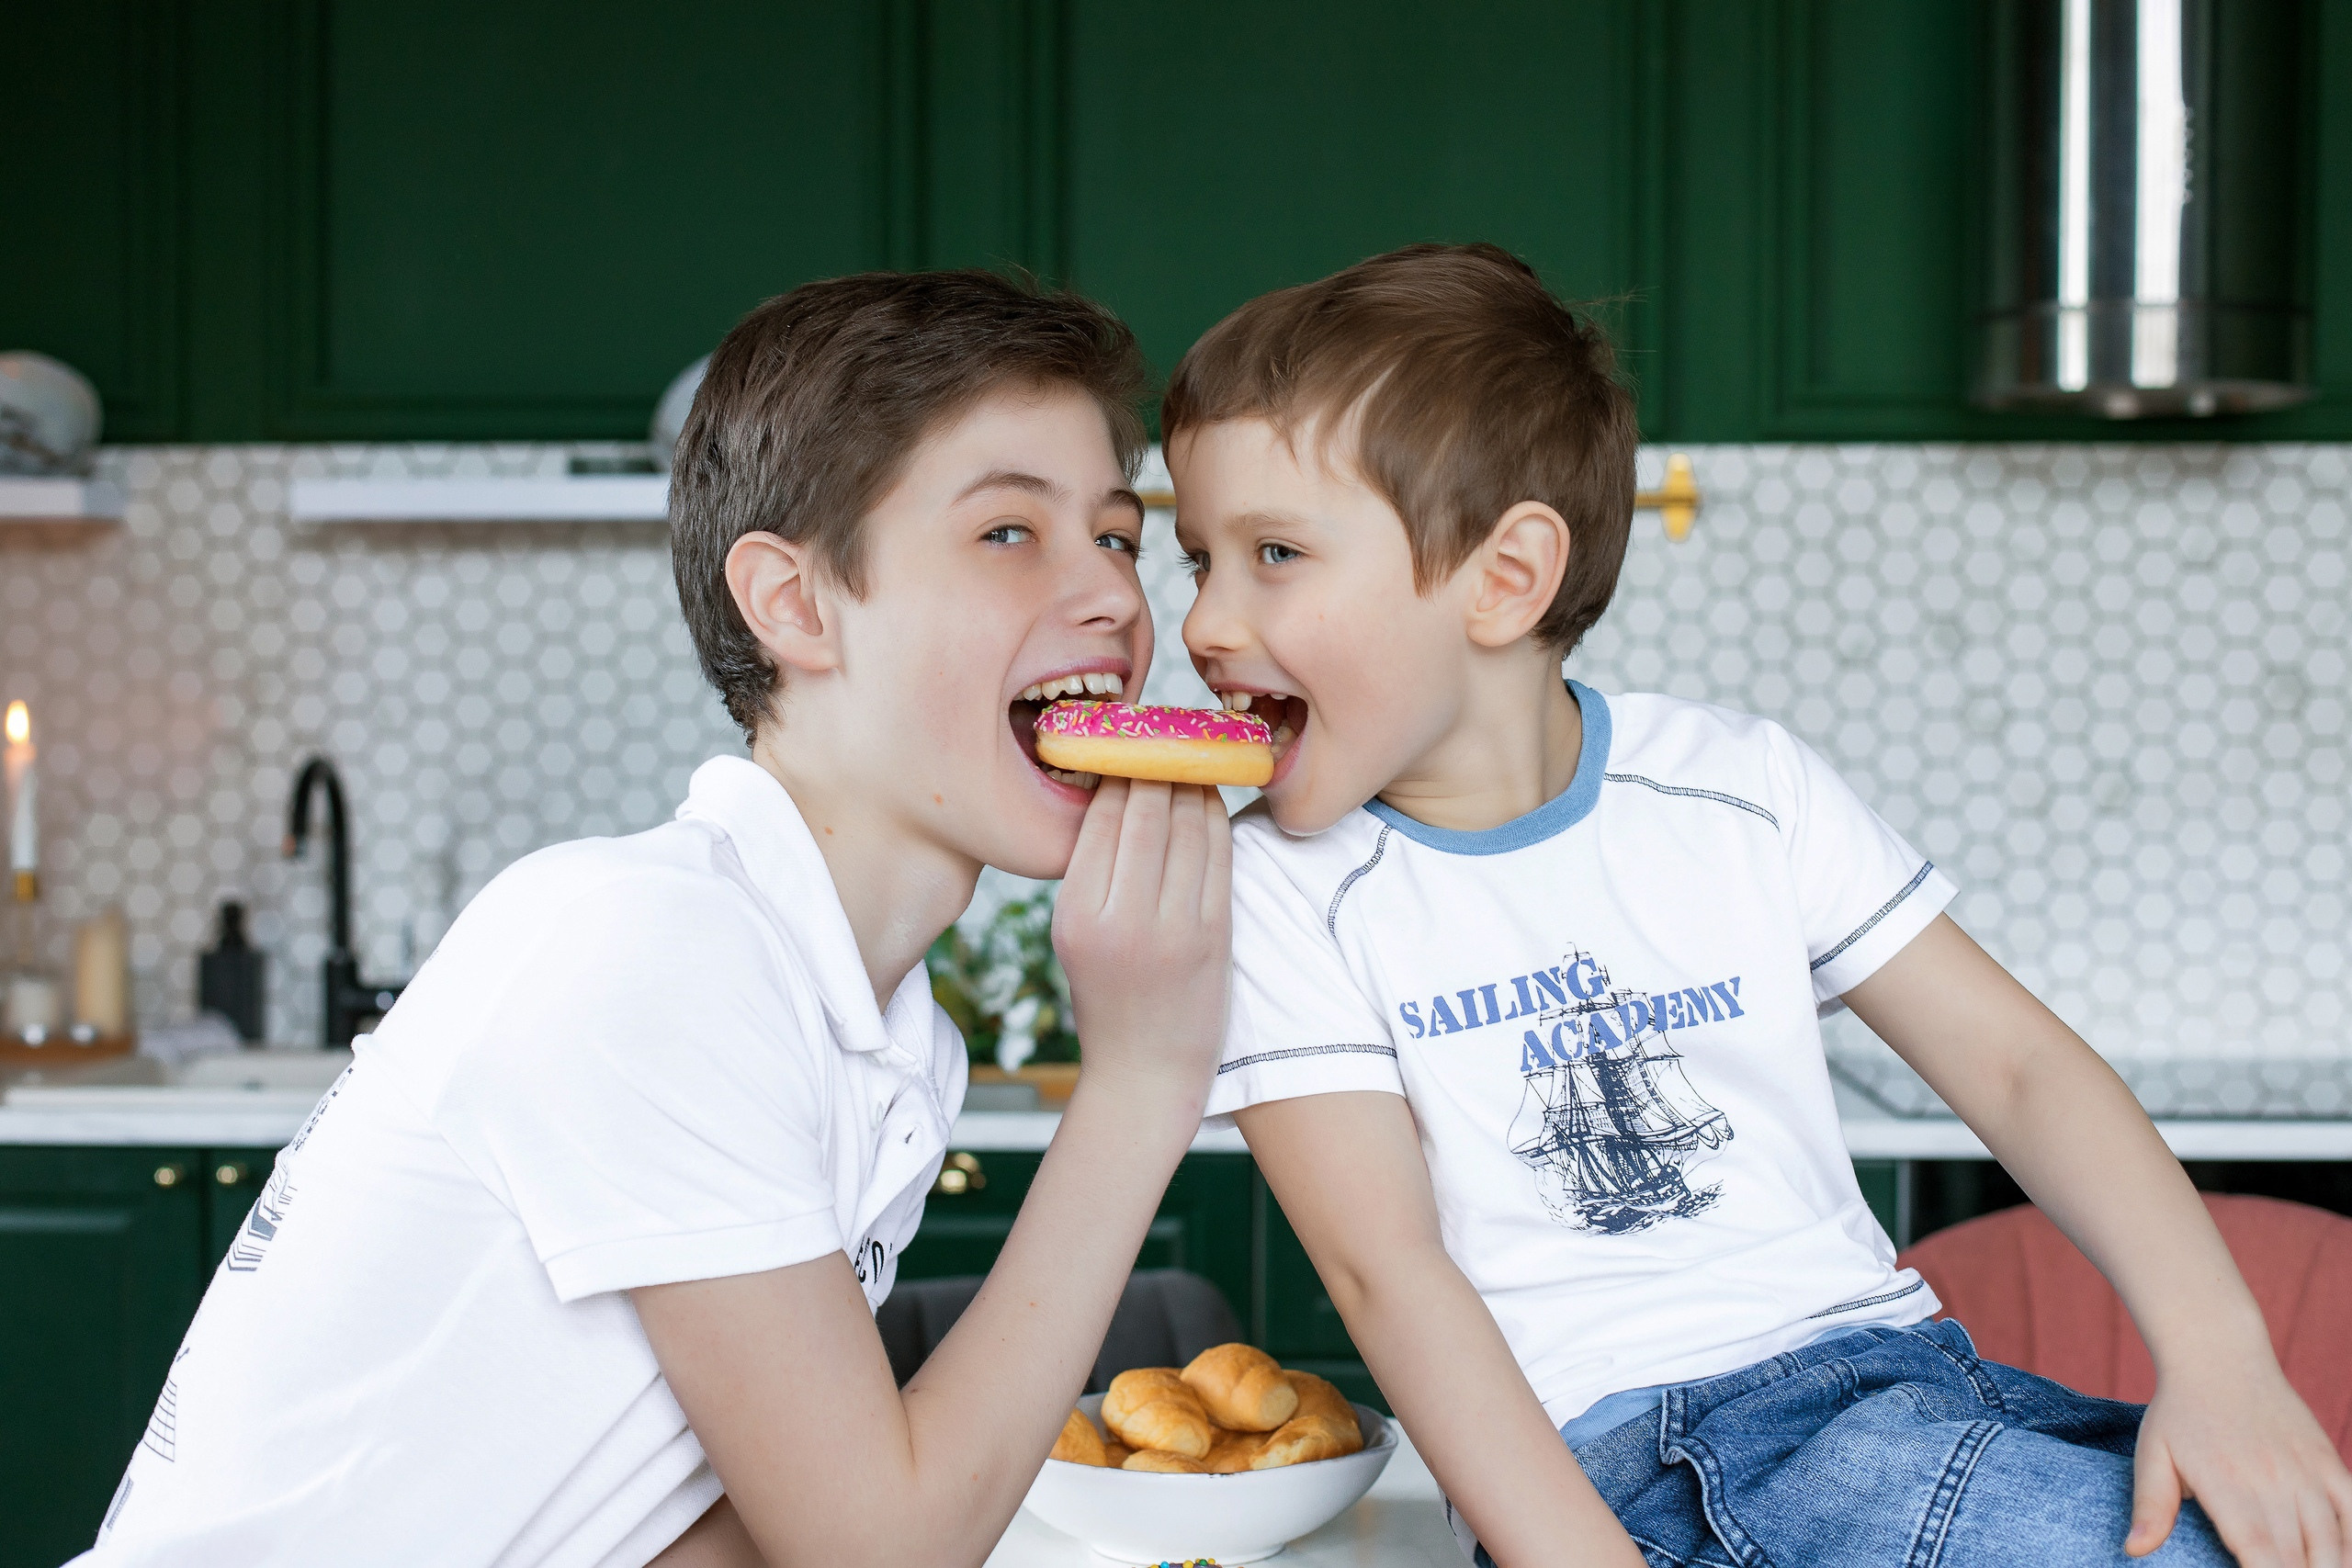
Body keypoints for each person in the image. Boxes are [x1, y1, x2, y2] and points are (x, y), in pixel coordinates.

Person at [1162, 243, 2352, 1567]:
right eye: (1198, 559)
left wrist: (2224, 1361)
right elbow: (1390, 1275)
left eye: (1274, 554)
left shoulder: (1739, 788)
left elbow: (2020, 1070)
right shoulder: (1278, 891)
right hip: (1631, 1462)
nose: (1204, 623)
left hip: (1910, 1388)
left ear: (1504, 579)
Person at [81, 271, 1233, 1567]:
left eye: (1118, 537)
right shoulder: (650, 948)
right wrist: (1144, 1079)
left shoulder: (888, 1039)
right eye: (1009, 532)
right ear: (793, 603)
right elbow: (879, 1550)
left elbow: (702, 1533)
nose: (1117, 598)